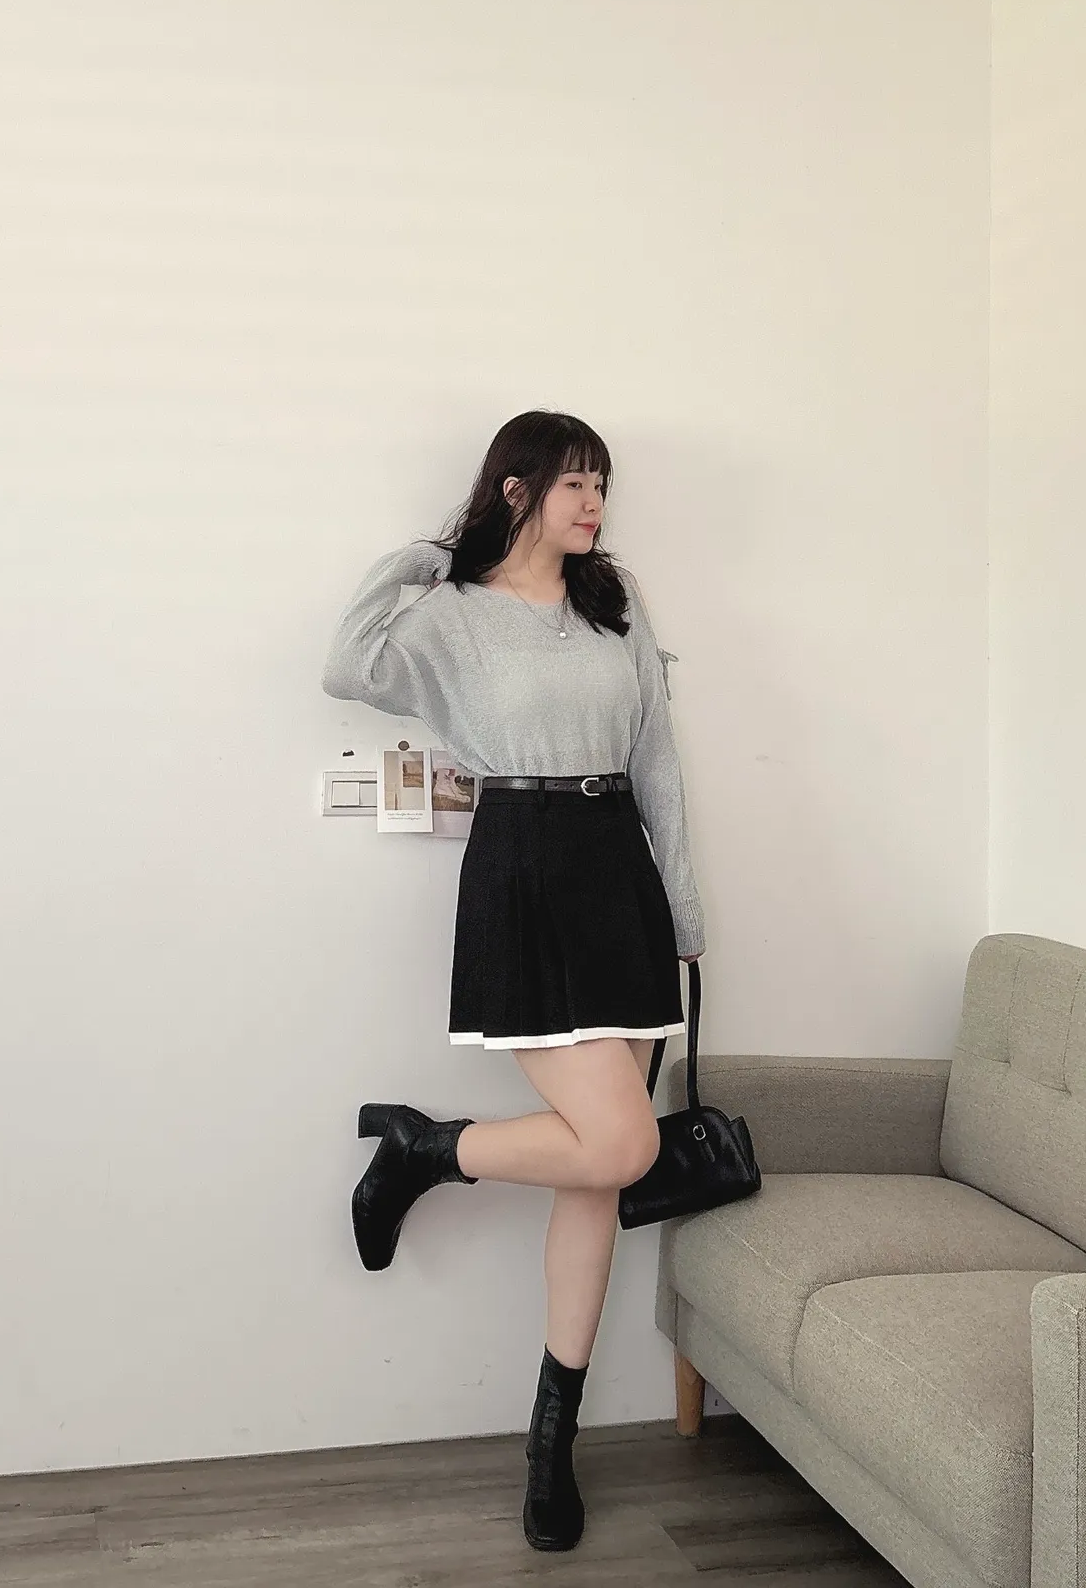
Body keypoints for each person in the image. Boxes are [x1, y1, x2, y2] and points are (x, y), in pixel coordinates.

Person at [320, 409, 706, 1553]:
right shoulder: (454, 614)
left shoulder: (614, 607)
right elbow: (346, 665)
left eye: (603, 486)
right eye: (574, 483)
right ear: (517, 490)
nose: (595, 505)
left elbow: (657, 760)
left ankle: (551, 1445)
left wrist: (686, 914)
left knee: (598, 1174)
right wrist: (427, 556)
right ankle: (427, 1151)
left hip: (621, 880)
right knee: (622, 1144)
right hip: (524, 872)